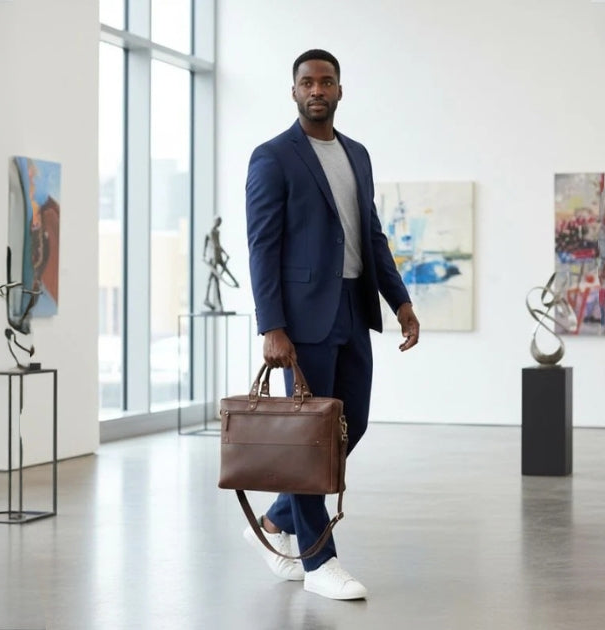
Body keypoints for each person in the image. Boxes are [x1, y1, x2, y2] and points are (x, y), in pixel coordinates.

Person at [243, 48, 420, 601]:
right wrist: (271, 324)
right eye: (306, 82)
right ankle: (319, 561)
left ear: (340, 91)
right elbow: (262, 246)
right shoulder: (272, 158)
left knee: (351, 424)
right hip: (300, 319)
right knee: (310, 436)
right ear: (293, 92)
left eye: (326, 81)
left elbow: (372, 234)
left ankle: (277, 519)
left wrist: (401, 302)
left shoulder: (358, 156)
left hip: (353, 306)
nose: (317, 89)